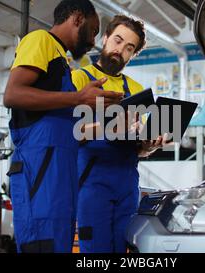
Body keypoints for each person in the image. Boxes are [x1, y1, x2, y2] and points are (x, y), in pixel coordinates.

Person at [3, 0, 122, 253]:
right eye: (93, 31)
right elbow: (13, 94)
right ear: (77, 18)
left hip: (59, 181)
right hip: (40, 174)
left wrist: (94, 113)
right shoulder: (40, 40)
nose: (92, 41)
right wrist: (79, 98)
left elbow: (63, 126)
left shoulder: (63, 64)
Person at [72, 15, 167, 253]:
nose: (120, 50)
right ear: (105, 39)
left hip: (127, 182)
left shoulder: (135, 90)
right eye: (117, 40)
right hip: (92, 181)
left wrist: (150, 145)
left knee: (126, 248)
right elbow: (71, 133)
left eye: (129, 48)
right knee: (96, 251)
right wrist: (109, 127)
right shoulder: (80, 79)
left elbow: (140, 147)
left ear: (133, 55)